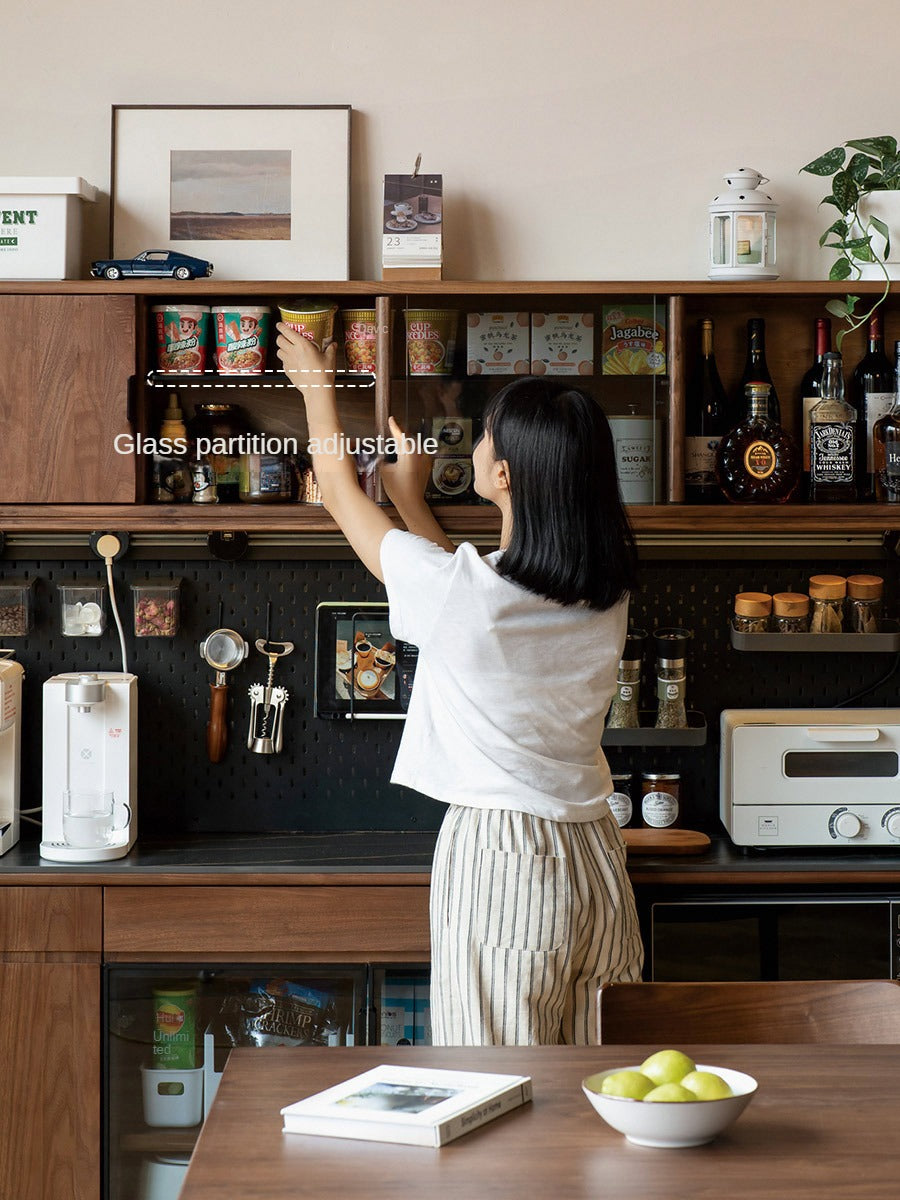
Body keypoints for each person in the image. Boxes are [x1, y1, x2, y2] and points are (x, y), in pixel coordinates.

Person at [276, 323, 644, 1046]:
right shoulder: (603, 591)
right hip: (597, 856)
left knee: (495, 1080)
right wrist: (412, 503)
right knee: (593, 1081)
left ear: (503, 475)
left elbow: (348, 506)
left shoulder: (471, 594)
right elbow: (467, 599)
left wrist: (318, 390)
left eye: (484, 437)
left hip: (504, 855)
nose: (474, 446)